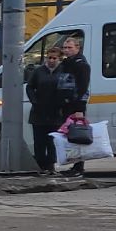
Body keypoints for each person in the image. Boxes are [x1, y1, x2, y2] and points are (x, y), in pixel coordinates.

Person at [27, 44, 66, 174]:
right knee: (39, 141)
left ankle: (51, 165)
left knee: (52, 141)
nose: (51, 60)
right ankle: (40, 165)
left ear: (59, 59)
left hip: (55, 112)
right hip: (39, 111)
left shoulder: (63, 71)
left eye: (54, 58)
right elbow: (30, 87)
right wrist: (34, 101)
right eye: (49, 57)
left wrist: (63, 103)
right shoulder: (38, 71)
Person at [57, 36, 93, 177]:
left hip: (76, 105)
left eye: (70, 48)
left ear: (77, 48)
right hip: (66, 104)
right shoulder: (66, 63)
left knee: (78, 135)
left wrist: (79, 109)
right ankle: (73, 164)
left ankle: (79, 167)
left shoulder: (81, 65)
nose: (67, 50)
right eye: (65, 48)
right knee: (69, 136)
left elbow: (83, 88)